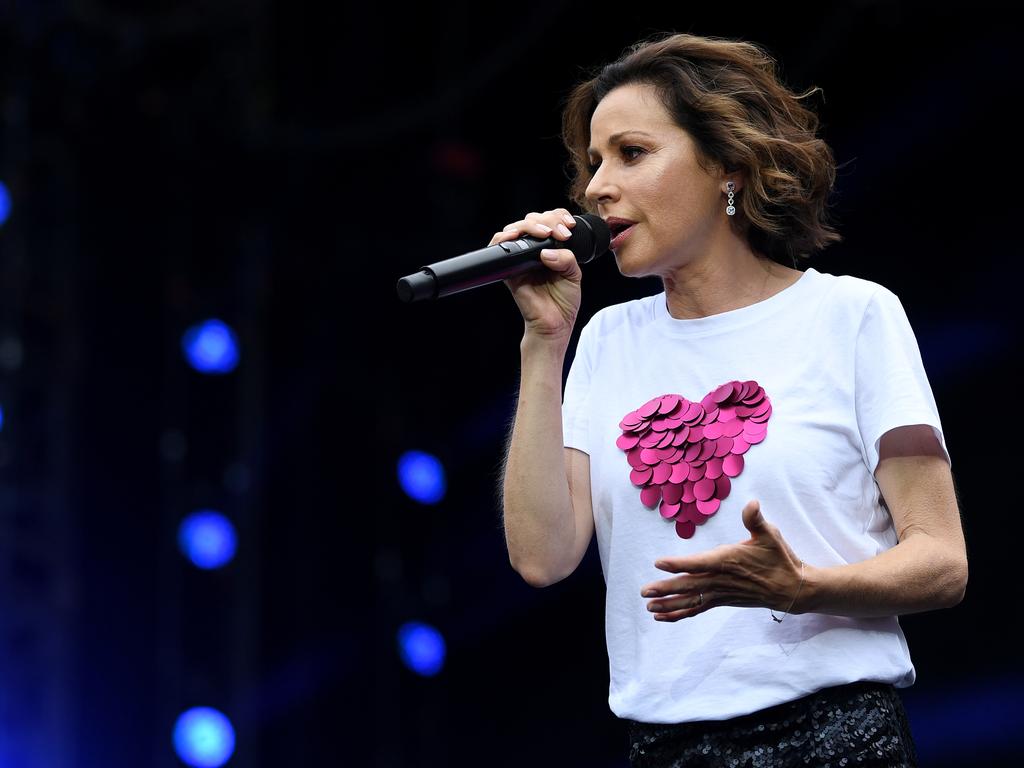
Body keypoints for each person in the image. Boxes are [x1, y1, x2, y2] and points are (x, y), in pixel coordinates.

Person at [496, 32, 967, 767]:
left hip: (836, 738)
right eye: (592, 164)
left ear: (727, 167)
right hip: (666, 747)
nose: (594, 188)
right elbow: (542, 557)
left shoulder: (852, 317)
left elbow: (942, 562)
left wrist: (802, 586)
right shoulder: (608, 340)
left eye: (631, 153)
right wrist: (543, 342)